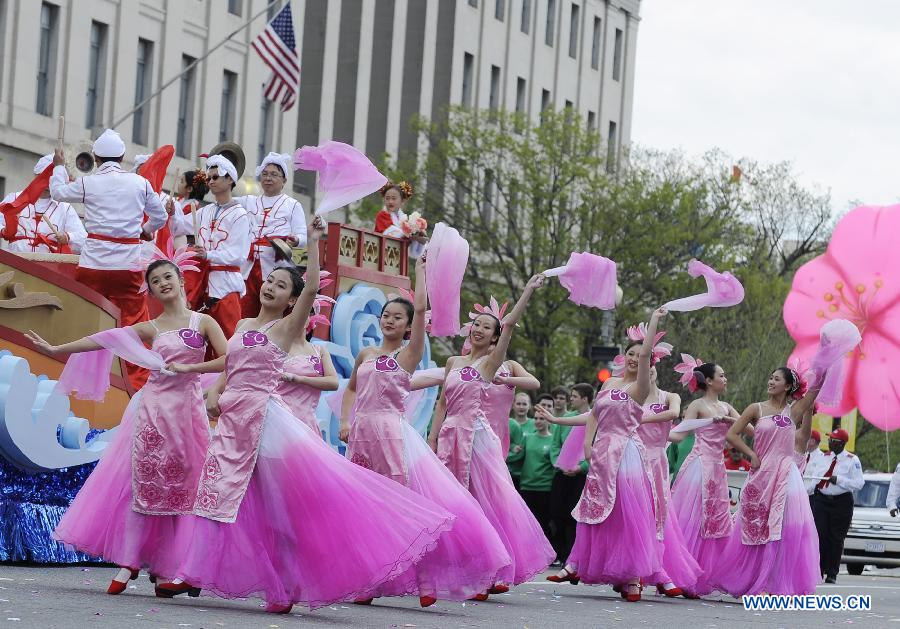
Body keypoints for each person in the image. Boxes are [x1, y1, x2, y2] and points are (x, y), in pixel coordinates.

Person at [157, 219, 456, 613]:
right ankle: (189, 571)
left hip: (267, 422)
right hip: (233, 420)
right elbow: (230, 364)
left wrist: (313, 243)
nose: (271, 288)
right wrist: (214, 389)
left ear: (292, 301)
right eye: (270, 281)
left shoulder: (286, 329)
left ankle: (289, 585)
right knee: (215, 489)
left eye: (282, 286)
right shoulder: (244, 324)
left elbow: (312, 287)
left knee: (281, 508)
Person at [26, 255, 227, 595]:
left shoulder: (203, 322)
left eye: (168, 277)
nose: (163, 283)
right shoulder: (151, 328)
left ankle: (168, 566)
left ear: (181, 280)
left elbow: (227, 359)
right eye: (156, 281)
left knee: (182, 490)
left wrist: (191, 371)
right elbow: (105, 339)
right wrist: (57, 347)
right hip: (153, 410)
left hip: (189, 415)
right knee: (144, 484)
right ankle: (129, 560)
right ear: (150, 291)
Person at [339, 253, 512, 606]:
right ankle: (369, 580)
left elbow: (420, 313)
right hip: (361, 435)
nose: (389, 320)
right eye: (385, 315)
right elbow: (353, 389)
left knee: (400, 509)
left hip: (390, 435)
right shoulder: (367, 354)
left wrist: (420, 275)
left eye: (397, 317)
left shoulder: (408, 355)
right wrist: (345, 420)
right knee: (366, 509)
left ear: (407, 327)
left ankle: (424, 578)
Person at [538, 308, 675, 602]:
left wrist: (652, 322)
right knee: (594, 510)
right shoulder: (608, 384)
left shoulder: (640, 387)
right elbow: (593, 415)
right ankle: (576, 563)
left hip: (627, 452)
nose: (633, 358)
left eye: (640, 355)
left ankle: (634, 577)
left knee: (630, 515)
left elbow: (647, 353)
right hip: (602, 454)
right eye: (629, 353)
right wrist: (582, 438)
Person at [428, 274, 555, 588]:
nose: (479, 329)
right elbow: (442, 402)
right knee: (453, 500)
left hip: (481, 437)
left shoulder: (495, 364)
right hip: (451, 435)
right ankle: (458, 563)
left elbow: (510, 327)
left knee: (489, 500)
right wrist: (432, 437)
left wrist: (526, 290)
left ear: (496, 336)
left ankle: (494, 566)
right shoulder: (453, 361)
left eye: (487, 326)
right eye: (477, 324)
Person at [50, 129, 167, 389]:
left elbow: (57, 193)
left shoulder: (88, 182)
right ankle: (136, 386)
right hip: (127, 266)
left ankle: (78, 382)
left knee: (86, 321)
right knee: (132, 326)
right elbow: (161, 217)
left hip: (93, 265)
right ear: (123, 157)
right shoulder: (140, 183)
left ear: (96, 157)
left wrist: (59, 167)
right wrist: (144, 232)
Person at [710, 367, 825, 595]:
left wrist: (827, 357)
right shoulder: (756, 408)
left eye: (777, 379)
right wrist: (750, 454)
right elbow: (732, 434)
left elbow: (815, 389)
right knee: (755, 528)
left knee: (779, 529)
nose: (771, 381)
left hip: (785, 475)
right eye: (770, 377)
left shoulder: (794, 411)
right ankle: (753, 580)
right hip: (760, 475)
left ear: (788, 386)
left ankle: (770, 583)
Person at [667, 361, 745, 597]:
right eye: (722, 375)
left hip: (717, 469)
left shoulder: (727, 407)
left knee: (714, 523)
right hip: (699, 466)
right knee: (692, 520)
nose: (726, 378)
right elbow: (680, 434)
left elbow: (750, 430)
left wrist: (737, 423)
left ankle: (703, 577)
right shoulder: (697, 405)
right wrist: (654, 431)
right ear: (709, 380)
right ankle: (682, 576)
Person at [184, 155, 251, 342]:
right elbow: (179, 226)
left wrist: (208, 255)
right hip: (202, 284)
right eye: (209, 178)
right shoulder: (206, 210)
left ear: (230, 179)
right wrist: (172, 212)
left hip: (226, 285)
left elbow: (238, 255)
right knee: (199, 342)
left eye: (215, 177)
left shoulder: (240, 215)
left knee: (227, 340)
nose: (210, 181)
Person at [235, 152, 307, 318]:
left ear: (284, 181)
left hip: (277, 266)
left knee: (272, 315)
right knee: (244, 313)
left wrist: (295, 240)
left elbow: (303, 236)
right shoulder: (248, 201)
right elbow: (224, 203)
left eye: (274, 174)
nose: (268, 178)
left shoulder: (292, 205)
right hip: (248, 266)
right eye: (265, 174)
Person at [806, 428, 865, 583]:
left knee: (836, 538)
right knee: (820, 535)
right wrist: (804, 492)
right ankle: (818, 569)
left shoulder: (852, 460)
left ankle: (832, 572)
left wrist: (840, 480)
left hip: (841, 502)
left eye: (834, 440)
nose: (830, 443)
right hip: (822, 500)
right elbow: (814, 480)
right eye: (830, 439)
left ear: (842, 444)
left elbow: (859, 483)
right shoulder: (823, 457)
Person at [547, 383, 593, 570]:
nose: (571, 399)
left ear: (585, 398)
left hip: (580, 476)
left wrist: (580, 467)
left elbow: (595, 446)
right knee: (556, 514)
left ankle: (571, 557)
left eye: (575, 396)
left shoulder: (593, 418)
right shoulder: (565, 419)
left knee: (575, 517)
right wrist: (561, 463)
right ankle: (560, 553)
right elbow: (555, 445)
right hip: (562, 474)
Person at [274, 304, 339, 435]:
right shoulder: (276, 347)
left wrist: (299, 379)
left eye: (303, 312)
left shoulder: (319, 350)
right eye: (293, 313)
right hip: (279, 418)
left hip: (307, 422)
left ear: (310, 318)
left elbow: (333, 382)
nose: (299, 317)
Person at [2, 154, 86, 254]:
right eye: (43, 179)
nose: (47, 185)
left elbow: (83, 239)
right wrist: (4, 231)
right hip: (15, 261)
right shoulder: (15, 198)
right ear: (35, 176)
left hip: (47, 265)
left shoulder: (65, 208)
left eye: (52, 181)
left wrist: (68, 237)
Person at [507, 409, 555, 543]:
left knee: (544, 522)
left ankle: (549, 554)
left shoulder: (553, 440)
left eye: (542, 418)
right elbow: (517, 455)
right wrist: (509, 451)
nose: (538, 421)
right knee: (527, 523)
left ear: (549, 420)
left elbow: (556, 462)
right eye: (536, 418)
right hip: (526, 486)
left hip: (545, 487)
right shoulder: (527, 438)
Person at [374, 181, 424, 257]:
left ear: (402, 201)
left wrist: (418, 237)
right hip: (381, 254)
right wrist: (408, 233)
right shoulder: (382, 214)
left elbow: (411, 249)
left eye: (394, 198)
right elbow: (388, 232)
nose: (390, 201)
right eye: (387, 198)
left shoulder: (404, 218)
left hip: (398, 256)